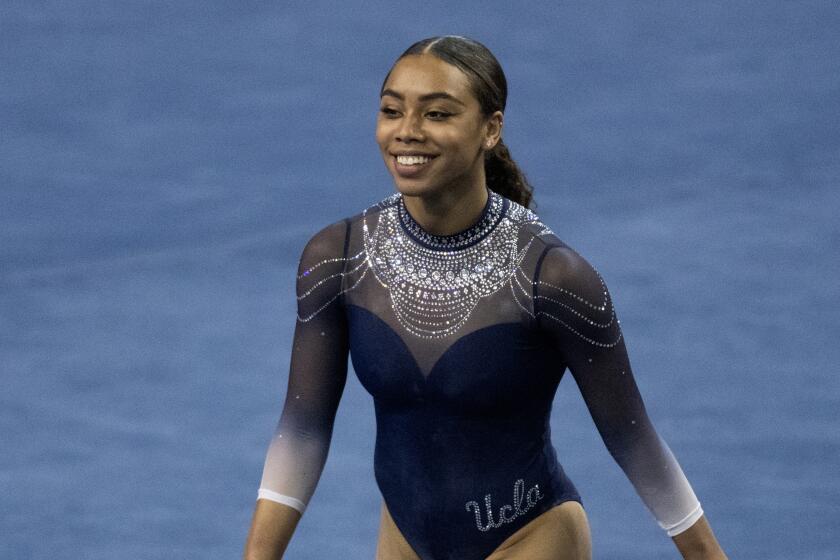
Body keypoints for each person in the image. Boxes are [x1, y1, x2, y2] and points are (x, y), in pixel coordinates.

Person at [244, 35, 728, 560]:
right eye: (391, 110)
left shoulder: (553, 278)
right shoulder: (339, 258)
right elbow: (303, 428)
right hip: (405, 540)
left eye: (437, 114)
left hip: (530, 540)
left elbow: (634, 440)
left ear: (490, 130)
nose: (406, 131)